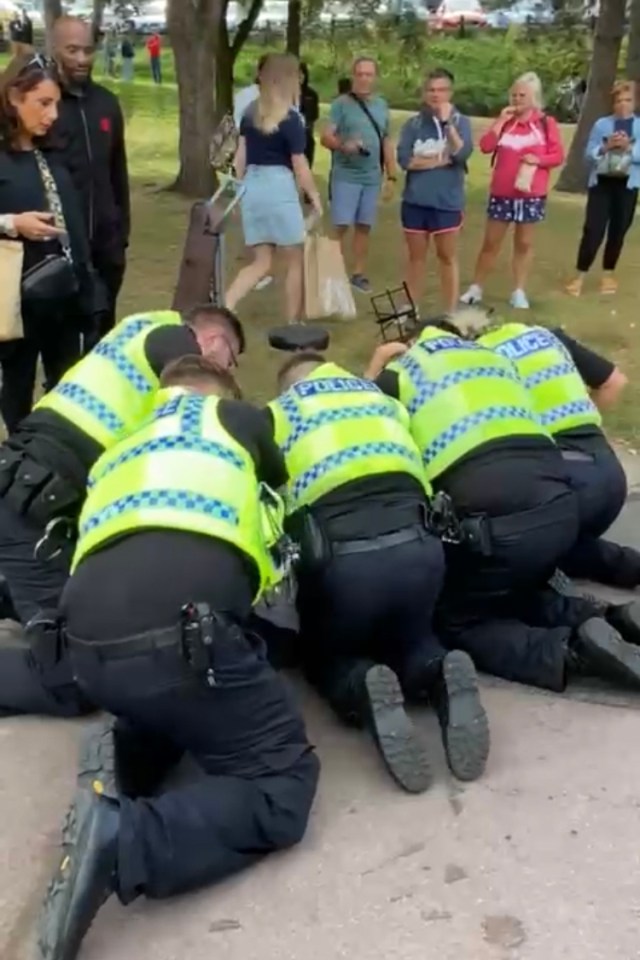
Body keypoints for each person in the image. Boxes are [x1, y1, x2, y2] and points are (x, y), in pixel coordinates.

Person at [38, 356, 319, 960]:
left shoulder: (118, 447)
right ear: (226, 393)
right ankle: (126, 839)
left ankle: (127, 753)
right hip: (182, 641)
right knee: (281, 784)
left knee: (181, 701)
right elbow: (284, 484)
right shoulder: (237, 418)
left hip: (87, 654)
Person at [366, 308, 640, 698]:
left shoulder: (406, 371)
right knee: (510, 588)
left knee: (458, 618)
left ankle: (571, 652)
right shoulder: (494, 361)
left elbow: (365, 423)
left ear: (410, 344)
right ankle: (606, 618)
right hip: (560, 506)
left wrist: (379, 363)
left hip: (494, 518)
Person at [0, 306, 245, 722]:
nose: (227, 371)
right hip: (33, 510)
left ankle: (21, 593)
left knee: (95, 613)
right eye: (232, 360)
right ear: (215, 342)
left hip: (36, 495)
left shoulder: (137, 332)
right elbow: (199, 401)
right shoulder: (172, 339)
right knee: (75, 678)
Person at [266, 345, 489, 791]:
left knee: (324, 652)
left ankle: (361, 684)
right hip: (420, 550)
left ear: (290, 386)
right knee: (412, 635)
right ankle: (439, 669)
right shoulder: (380, 400)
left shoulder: (274, 416)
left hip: (344, 564)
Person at [477, 319, 640, 590]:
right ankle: (623, 565)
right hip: (610, 475)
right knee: (558, 543)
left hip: (564, 483)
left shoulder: (475, 360)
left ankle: (597, 601)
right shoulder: (547, 336)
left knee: (502, 547)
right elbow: (614, 382)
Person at [0, 53, 101, 434]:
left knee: (67, 386)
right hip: (17, 303)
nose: (53, 114)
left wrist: (90, 289)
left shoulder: (51, 156)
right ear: (14, 98)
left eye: (56, 103)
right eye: (43, 103)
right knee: (17, 388)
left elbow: (74, 228)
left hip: (63, 297)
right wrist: (12, 223)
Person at [226, 53, 322, 325]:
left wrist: (241, 191)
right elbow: (299, 164)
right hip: (279, 186)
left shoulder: (250, 114)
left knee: (261, 261)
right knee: (294, 259)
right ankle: (293, 323)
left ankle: (227, 304)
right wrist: (314, 196)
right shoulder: (292, 119)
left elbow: (239, 158)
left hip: (252, 187)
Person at [51, 17, 130, 346]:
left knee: (103, 338)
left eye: (88, 50)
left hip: (107, 246)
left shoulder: (106, 103)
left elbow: (118, 173)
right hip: (62, 248)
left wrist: (121, 233)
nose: (82, 59)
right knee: (64, 344)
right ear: (54, 49)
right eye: (72, 50)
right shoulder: (45, 106)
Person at [461, 72, 564, 310]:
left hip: (531, 193)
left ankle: (518, 291)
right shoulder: (507, 122)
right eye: (514, 95)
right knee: (491, 242)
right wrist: (498, 122)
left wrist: (537, 159)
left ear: (534, 97)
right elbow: (486, 147)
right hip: (502, 192)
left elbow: (557, 156)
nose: (517, 99)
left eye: (522, 95)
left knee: (524, 243)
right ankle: (476, 287)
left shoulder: (545, 123)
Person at [396, 68, 473, 314]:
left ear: (450, 93)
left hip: (446, 202)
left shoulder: (461, 122)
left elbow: (461, 153)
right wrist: (439, 161)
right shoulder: (414, 124)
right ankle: (410, 307)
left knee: (446, 257)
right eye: (431, 90)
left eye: (441, 90)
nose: (435, 95)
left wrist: (447, 124)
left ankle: (450, 311)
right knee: (415, 258)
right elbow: (405, 160)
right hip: (415, 200)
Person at [321, 56, 398, 294]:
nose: (364, 79)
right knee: (340, 225)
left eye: (369, 74)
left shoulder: (381, 106)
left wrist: (391, 175)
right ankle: (330, 272)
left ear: (375, 78)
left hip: (371, 176)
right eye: (360, 74)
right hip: (346, 174)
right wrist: (344, 145)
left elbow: (386, 140)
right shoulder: (341, 105)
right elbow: (325, 137)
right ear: (353, 76)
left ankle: (358, 273)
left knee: (364, 226)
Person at [565, 81, 640, 298]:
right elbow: (589, 155)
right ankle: (579, 276)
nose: (623, 105)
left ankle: (608, 273)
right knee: (593, 230)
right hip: (601, 184)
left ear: (634, 103)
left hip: (627, 186)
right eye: (618, 100)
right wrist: (606, 147)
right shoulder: (602, 125)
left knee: (618, 231)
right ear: (613, 103)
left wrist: (629, 149)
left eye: (627, 100)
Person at [299, 62, 319, 169]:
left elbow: (314, 115)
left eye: (301, 74)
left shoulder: (311, 94)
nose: (299, 77)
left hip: (306, 136)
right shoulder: (284, 93)